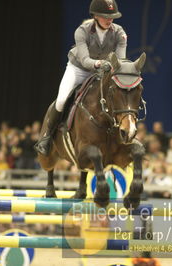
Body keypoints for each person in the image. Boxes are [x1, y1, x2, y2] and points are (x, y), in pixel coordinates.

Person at [34, 0, 127, 156]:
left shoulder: (119, 33)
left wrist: (116, 68)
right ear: (96, 16)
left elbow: (121, 60)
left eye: (112, 16)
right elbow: (84, 60)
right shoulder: (82, 31)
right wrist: (100, 63)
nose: (110, 19)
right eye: (106, 16)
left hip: (101, 71)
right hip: (78, 69)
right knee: (62, 99)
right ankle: (47, 137)